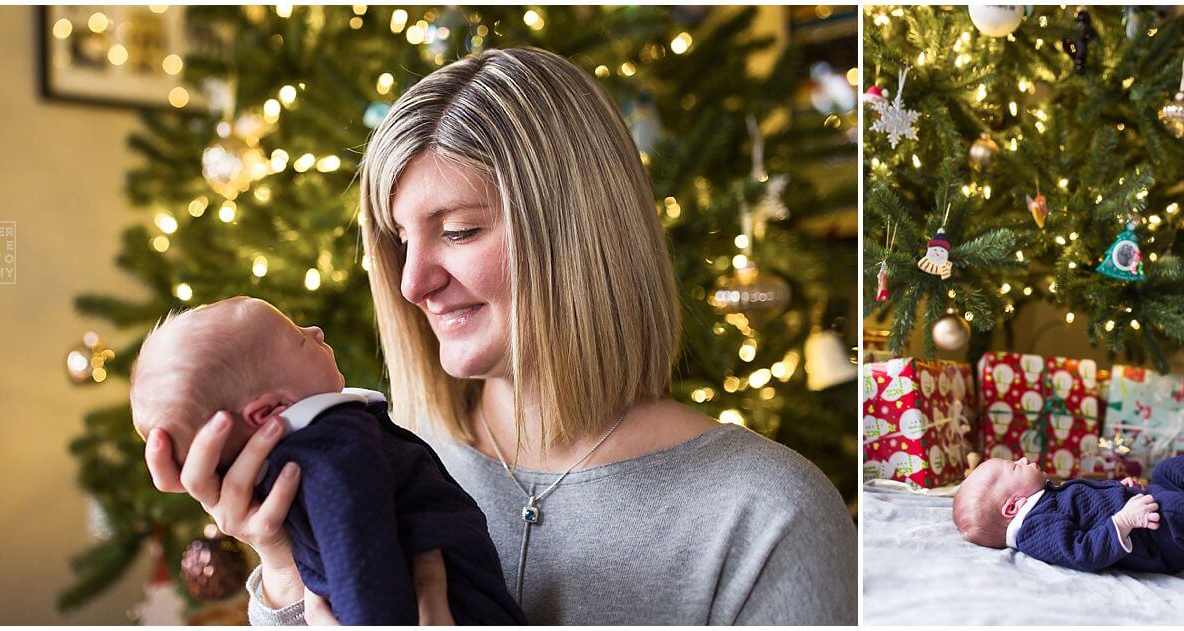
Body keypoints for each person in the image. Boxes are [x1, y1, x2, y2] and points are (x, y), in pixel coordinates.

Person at [143, 46, 857, 625]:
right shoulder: (383, 461)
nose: (412, 284)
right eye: (400, 243)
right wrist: (282, 560)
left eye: (458, 230)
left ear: (577, 234)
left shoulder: (767, 514)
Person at [131, 297, 525, 625]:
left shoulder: (304, 456)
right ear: (268, 410)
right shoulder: (335, 447)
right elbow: (360, 554)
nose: (315, 330)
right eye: (300, 341)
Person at [952, 454, 1184, 573]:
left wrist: (1123, 489)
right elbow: (1082, 552)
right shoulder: (1035, 529)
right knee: (1166, 505)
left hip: (1142, 509)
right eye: (1015, 466)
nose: (1024, 459)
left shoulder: (1046, 497)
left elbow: (1094, 502)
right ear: (1013, 506)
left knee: (1167, 472)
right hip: (1157, 543)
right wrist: (1124, 520)